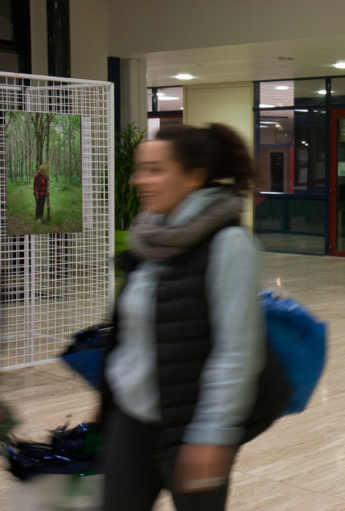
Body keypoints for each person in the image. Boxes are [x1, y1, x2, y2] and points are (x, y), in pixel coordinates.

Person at [101, 124, 284, 510]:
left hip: (191, 426)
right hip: (129, 419)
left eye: (154, 169)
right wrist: (107, 398)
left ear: (193, 177)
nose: (138, 180)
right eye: (140, 168)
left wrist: (213, 433)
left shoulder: (229, 244)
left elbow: (237, 351)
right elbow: (131, 334)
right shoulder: (149, 237)